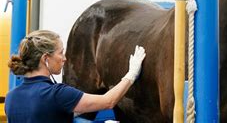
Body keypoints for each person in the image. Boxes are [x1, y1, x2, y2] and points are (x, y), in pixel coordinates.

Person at [5, 30, 146, 123]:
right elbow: (108, 101)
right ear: (45, 58)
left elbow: (44, 114)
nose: (65, 58)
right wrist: (131, 74)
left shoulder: (11, 97)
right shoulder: (58, 94)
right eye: (61, 53)